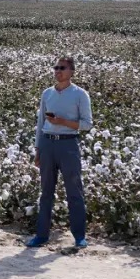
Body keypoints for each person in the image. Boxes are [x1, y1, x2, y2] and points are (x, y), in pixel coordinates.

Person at [26, 56, 93, 248]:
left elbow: (87, 124)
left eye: (62, 68)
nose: (58, 71)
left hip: (68, 145)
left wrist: (62, 121)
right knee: (46, 191)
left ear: (72, 71)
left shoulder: (80, 94)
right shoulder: (47, 94)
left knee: (74, 191)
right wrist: (37, 150)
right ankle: (41, 235)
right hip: (47, 144)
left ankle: (79, 236)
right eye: (55, 68)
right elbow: (40, 124)